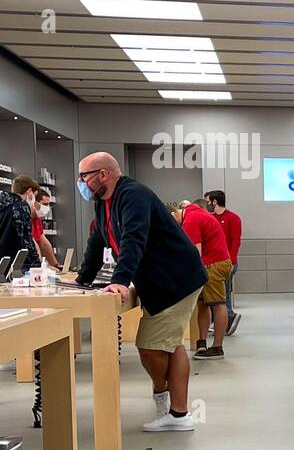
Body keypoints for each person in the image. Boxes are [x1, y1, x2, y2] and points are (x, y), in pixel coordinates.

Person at [75, 154, 207, 431]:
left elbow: (135, 237)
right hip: (162, 280)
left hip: (176, 278)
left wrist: (121, 279)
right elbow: (97, 241)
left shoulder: (133, 195)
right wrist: (82, 281)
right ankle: (177, 412)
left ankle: (170, 405)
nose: (82, 183)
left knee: (150, 345)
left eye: (84, 176)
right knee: (169, 343)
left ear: (103, 175)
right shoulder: (103, 204)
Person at [172, 199, 233, 359]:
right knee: (203, 304)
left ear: (174, 215)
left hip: (214, 264)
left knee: (217, 303)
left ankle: (217, 347)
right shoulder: (195, 213)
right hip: (212, 263)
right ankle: (202, 343)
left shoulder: (190, 221)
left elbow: (194, 254)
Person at [205, 189, 242, 335]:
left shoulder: (233, 218)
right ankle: (223, 320)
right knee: (219, 293)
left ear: (215, 201)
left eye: (208, 202)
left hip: (226, 262)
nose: (207, 205)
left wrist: (232, 261)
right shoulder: (210, 218)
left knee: (223, 293)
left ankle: (229, 317)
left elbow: (235, 241)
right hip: (212, 262)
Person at [0, 174, 41, 266]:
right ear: (30, 192)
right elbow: (26, 242)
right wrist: (37, 266)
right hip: (11, 265)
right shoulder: (21, 206)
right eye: (35, 196)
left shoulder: (3, 203)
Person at [31, 186, 59, 268]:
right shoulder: (24, 218)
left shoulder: (36, 219)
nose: (47, 208)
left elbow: (44, 243)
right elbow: (33, 245)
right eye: (45, 204)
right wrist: (39, 268)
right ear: (34, 202)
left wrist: (56, 265)